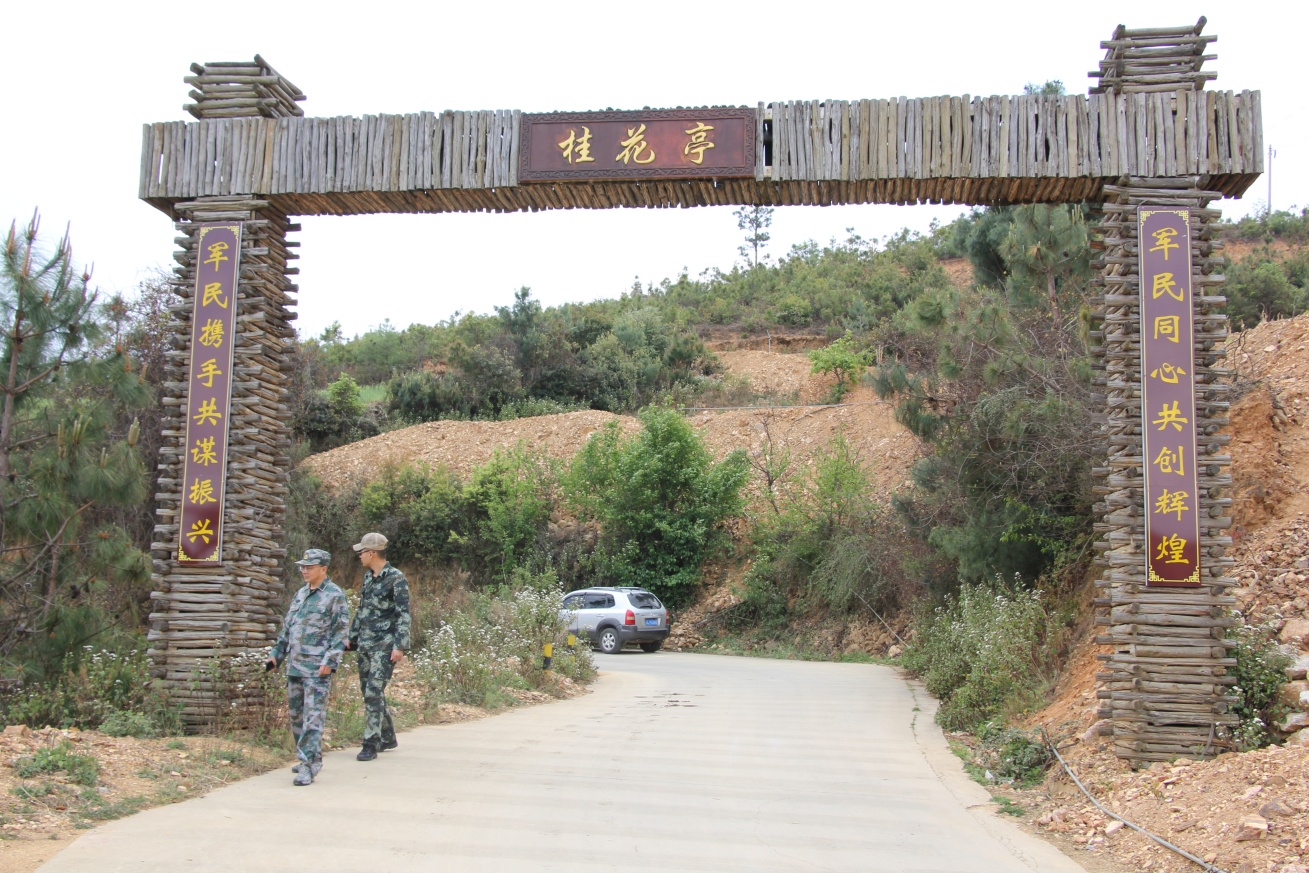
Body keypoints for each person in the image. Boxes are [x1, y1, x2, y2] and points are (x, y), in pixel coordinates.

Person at [267, 548, 349, 786]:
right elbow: (288, 628)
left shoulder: (334, 595)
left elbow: (340, 632)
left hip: (316, 668)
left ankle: (309, 764)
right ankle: (306, 757)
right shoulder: (301, 594)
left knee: (313, 718)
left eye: (309, 567)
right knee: (297, 717)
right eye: (303, 567)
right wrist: (276, 655)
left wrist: (330, 661)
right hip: (295, 666)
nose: (304, 571)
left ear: (323, 569)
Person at [347, 532, 411, 762]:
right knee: (368, 691)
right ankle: (387, 736)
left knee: (374, 692)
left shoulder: (396, 578)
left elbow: (403, 614)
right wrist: (351, 638)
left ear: (372, 553)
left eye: (362, 552)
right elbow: (362, 610)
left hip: (384, 646)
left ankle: (370, 742)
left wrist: (400, 646)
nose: (359, 556)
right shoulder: (368, 578)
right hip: (365, 644)